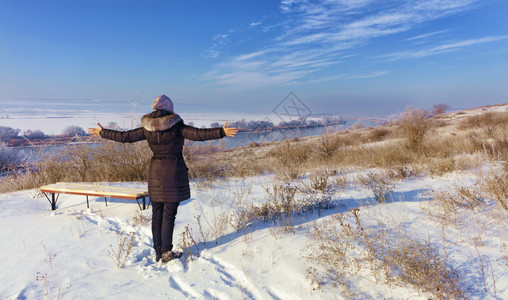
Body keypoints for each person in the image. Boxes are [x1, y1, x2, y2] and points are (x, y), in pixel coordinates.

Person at [88, 95, 237, 263]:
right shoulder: (176, 126)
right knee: (169, 214)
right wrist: (221, 132)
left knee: (157, 213)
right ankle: (166, 252)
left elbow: (125, 137)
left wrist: (102, 132)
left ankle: (158, 252)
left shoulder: (147, 128)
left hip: (155, 174)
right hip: (173, 173)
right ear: (170, 109)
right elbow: (198, 134)